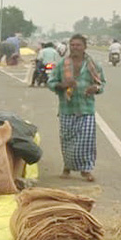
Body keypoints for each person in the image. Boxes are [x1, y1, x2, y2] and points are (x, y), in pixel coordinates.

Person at [48, 33, 105, 183]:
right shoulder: (62, 64)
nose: (75, 48)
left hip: (86, 109)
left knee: (86, 141)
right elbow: (51, 82)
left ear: (84, 47)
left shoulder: (93, 65)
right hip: (67, 108)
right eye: (72, 45)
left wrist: (95, 88)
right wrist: (63, 85)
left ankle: (86, 170)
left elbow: (102, 84)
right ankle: (67, 167)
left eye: (78, 45)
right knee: (68, 140)